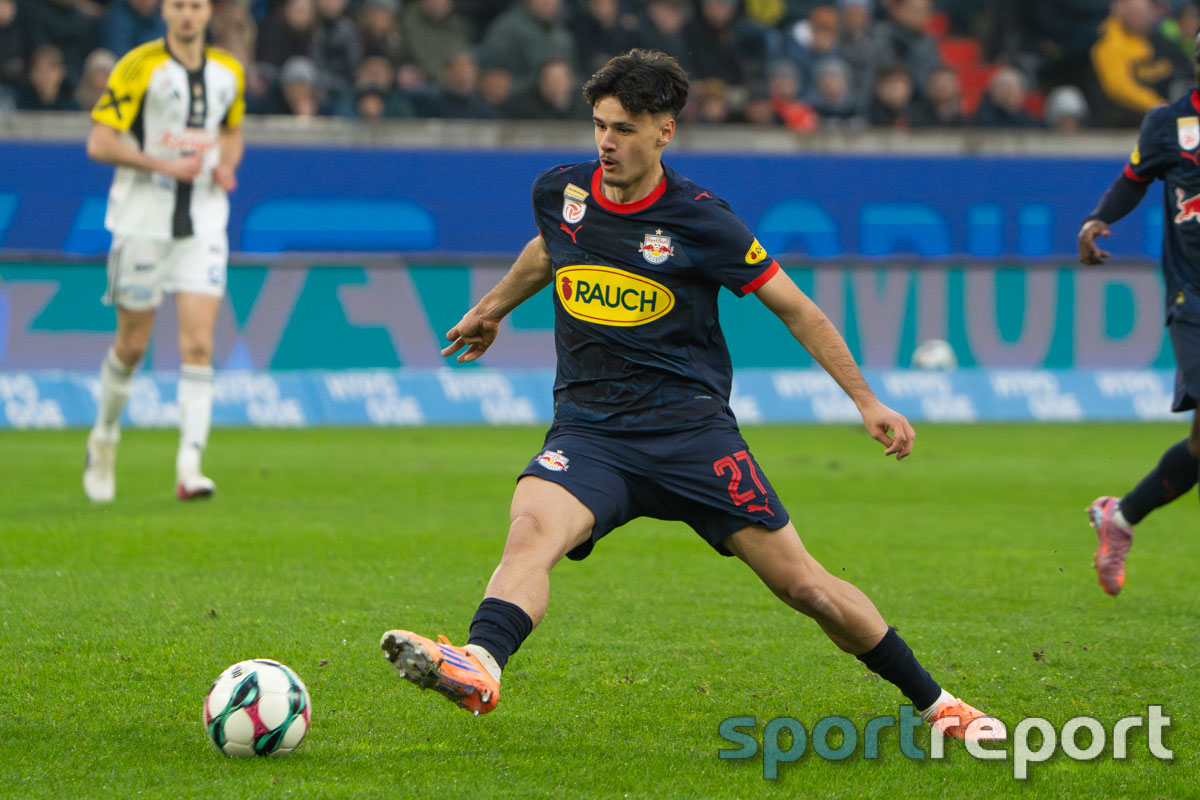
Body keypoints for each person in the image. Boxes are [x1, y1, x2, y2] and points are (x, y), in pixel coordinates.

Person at [380, 49, 1005, 743]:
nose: (606, 142)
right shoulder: (561, 192)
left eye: (622, 128)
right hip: (590, 434)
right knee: (529, 533)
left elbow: (795, 308)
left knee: (807, 587)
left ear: (663, 132)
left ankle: (939, 703)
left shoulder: (703, 221)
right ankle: (481, 664)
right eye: (598, 125)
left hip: (691, 438)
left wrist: (867, 401)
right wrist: (492, 308)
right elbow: (547, 250)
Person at [83, 0, 244, 502]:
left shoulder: (228, 72)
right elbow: (99, 142)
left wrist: (226, 166)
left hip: (203, 224)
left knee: (198, 344)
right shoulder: (138, 66)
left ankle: (189, 468)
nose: (188, 15)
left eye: (196, 5)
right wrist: (161, 164)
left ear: (208, 12)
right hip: (142, 222)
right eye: (178, 6)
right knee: (131, 347)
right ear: (165, 12)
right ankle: (104, 437)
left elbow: (232, 131)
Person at [1077, 31, 1200, 596]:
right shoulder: (1169, 125)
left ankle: (1120, 518)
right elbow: (1133, 180)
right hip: (1192, 294)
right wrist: (1100, 218)